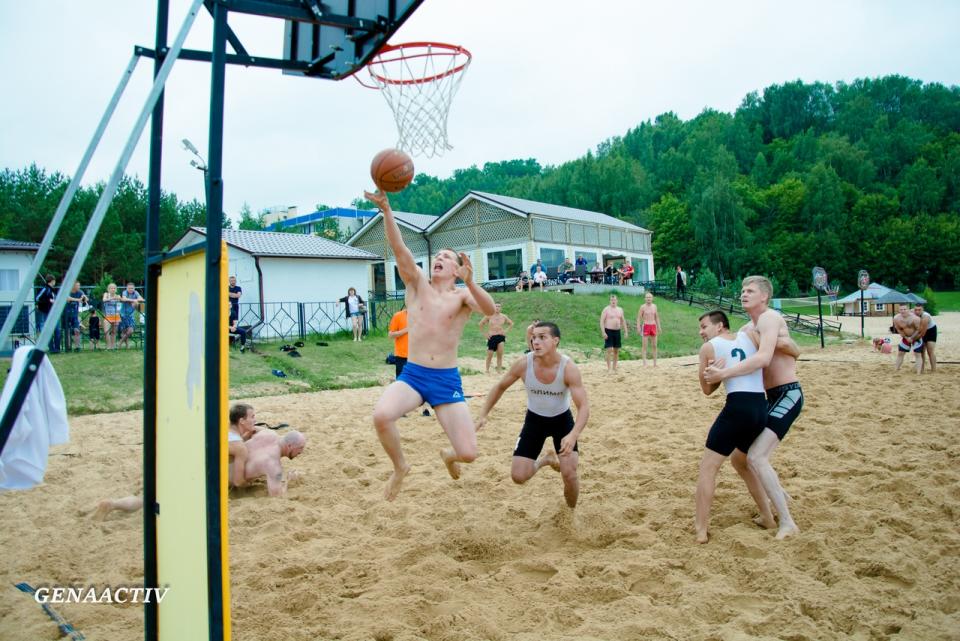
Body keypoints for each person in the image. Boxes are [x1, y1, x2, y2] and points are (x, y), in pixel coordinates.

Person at [365, 189, 497, 501]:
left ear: (457, 268)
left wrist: (472, 282)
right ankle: (400, 467)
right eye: (437, 256)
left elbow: (490, 310)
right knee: (381, 416)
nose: (439, 258)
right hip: (413, 375)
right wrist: (387, 211)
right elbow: (399, 250)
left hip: (446, 379)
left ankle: (448, 455)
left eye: (447, 258)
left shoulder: (463, 296)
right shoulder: (417, 285)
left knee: (469, 453)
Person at [703, 276, 803, 540]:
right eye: (742, 290)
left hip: (788, 395)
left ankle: (787, 522)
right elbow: (746, 349)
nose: (743, 294)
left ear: (764, 297)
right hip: (768, 397)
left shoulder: (769, 318)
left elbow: (763, 358)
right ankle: (774, 500)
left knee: (757, 457)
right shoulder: (749, 327)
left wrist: (723, 375)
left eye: (750, 291)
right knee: (739, 458)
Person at [91, 404, 287, 519]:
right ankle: (113, 504)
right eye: (253, 417)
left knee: (153, 496)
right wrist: (250, 483)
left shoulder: (222, 429)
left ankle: (114, 503)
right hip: (195, 482)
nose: (256, 421)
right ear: (242, 421)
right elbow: (237, 482)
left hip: (181, 464)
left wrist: (253, 430)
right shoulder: (240, 448)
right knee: (152, 502)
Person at [476, 321, 589, 508]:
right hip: (535, 420)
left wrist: (573, 435)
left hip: (562, 421)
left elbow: (583, 406)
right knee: (518, 476)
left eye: (542, 337)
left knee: (569, 475)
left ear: (555, 341)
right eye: (533, 337)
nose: (536, 342)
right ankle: (546, 460)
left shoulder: (568, 368)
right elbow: (500, 387)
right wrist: (482, 414)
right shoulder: (523, 364)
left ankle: (570, 514)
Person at [694, 310, 771, 544]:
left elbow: (707, 390)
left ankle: (700, 530)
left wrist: (714, 375)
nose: (701, 332)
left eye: (704, 326)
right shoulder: (750, 336)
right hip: (760, 407)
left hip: (737, 407)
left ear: (719, 327)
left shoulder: (709, 347)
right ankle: (768, 516)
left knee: (708, 469)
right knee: (741, 462)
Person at [479, 302, 514, 374]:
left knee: (500, 354)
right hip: (492, 336)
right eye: (496, 306)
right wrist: (485, 334)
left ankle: (499, 370)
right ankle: (487, 370)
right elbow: (480, 324)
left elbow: (511, 323)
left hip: (500, 336)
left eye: (499, 306)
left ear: (501, 308)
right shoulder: (489, 316)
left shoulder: (503, 316)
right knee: (490, 354)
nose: (497, 308)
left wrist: (506, 331)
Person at [600, 294, 628, 372]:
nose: (613, 301)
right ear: (609, 301)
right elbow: (601, 321)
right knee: (609, 350)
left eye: (614, 300)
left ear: (617, 301)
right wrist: (603, 332)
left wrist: (626, 331)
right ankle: (609, 368)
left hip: (617, 331)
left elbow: (623, 321)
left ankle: (614, 367)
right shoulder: (606, 309)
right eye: (612, 300)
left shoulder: (620, 309)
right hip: (608, 331)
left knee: (616, 350)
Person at [892, 303, 923, 374]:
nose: (903, 311)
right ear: (899, 310)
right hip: (906, 337)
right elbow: (899, 329)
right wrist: (906, 337)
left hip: (916, 337)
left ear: (908, 310)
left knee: (917, 354)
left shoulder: (915, 318)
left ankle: (918, 373)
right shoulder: (896, 318)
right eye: (901, 309)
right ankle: (896, 370)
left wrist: (912, 338)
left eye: (904, 309)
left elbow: (918, 329)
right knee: (900, 353)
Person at [35, 275, 62, 353]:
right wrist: (49, 300)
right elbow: (37, 298)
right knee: (49, 331)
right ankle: (52, 348)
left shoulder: (53, 290)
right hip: (46, 313)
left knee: (57, 331)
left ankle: (57, 348)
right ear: (52, 281)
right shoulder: (45, 289)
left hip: (54, 312)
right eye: (54, 281)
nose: (55, 282)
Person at [636, 292, 661, 366]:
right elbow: (639, 318)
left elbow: (657, 317)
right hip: (646, 326)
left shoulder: (654, 306)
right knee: (645, 346)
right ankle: (644, 363)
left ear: (652, 298)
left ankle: (655, 363)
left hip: (653, 325)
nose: (648, 299)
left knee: (655, 345)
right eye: (647, 297)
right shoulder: (642, 307)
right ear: (645, 299)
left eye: (650, 297)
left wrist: (659, 327)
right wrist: (638, 327)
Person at [118, 282, 144, 349]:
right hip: (123, 314)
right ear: (127, 288)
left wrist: (134, 300)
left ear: (134, 288)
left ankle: (120, 342)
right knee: (124, 331)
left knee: (130, 331)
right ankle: (127, 346)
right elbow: (123, 299)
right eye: (129, 288)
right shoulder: (125, 292)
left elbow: (141, 299)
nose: (131, 289)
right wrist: (134, 300)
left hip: (130, 315)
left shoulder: (135, 292)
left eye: (132, 288)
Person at [914, 304, 937, 373]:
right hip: (921, 330)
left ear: (923, 310)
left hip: (930, 331)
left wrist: (913, 339)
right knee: (921, 351)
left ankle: (933, 369)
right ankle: (921, 369)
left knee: (930, 351)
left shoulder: (925, 317)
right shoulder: (912, 313)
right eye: (916, 310)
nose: (917, 311)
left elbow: (923, 333)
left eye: (919, 310)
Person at [65, 281, 88, 352]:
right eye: (77, 285)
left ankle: (77, 347)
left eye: (79, 285)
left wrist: (84, 297)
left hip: (75, 314)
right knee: (67, 331)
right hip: (66, 314)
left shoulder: (80, 292)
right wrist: (78, 299)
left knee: (77, 330)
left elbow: (85, 299)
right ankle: (68, 347)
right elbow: (67, 299)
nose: (79, 287)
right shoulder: (67, 291)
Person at [388, 308, 409, 379]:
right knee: (401, 381)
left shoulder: (421, 316)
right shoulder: (398, 316)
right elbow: (390, 335)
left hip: (418, 356)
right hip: (402, 355)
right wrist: (406, 330)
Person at [102, 283, 121, 350]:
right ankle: (108, 346)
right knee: (106, 331)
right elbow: (104, 300)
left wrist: (118, 299)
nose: (113, 289)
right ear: (108, 289)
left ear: (116, 289)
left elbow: (119, 305)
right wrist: (112, 298)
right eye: (111, 288)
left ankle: (113, 346)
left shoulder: (118, 296)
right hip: (107, 316)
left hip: (115, 315)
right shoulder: (106, 294)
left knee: (114, 332)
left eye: (114, 288)